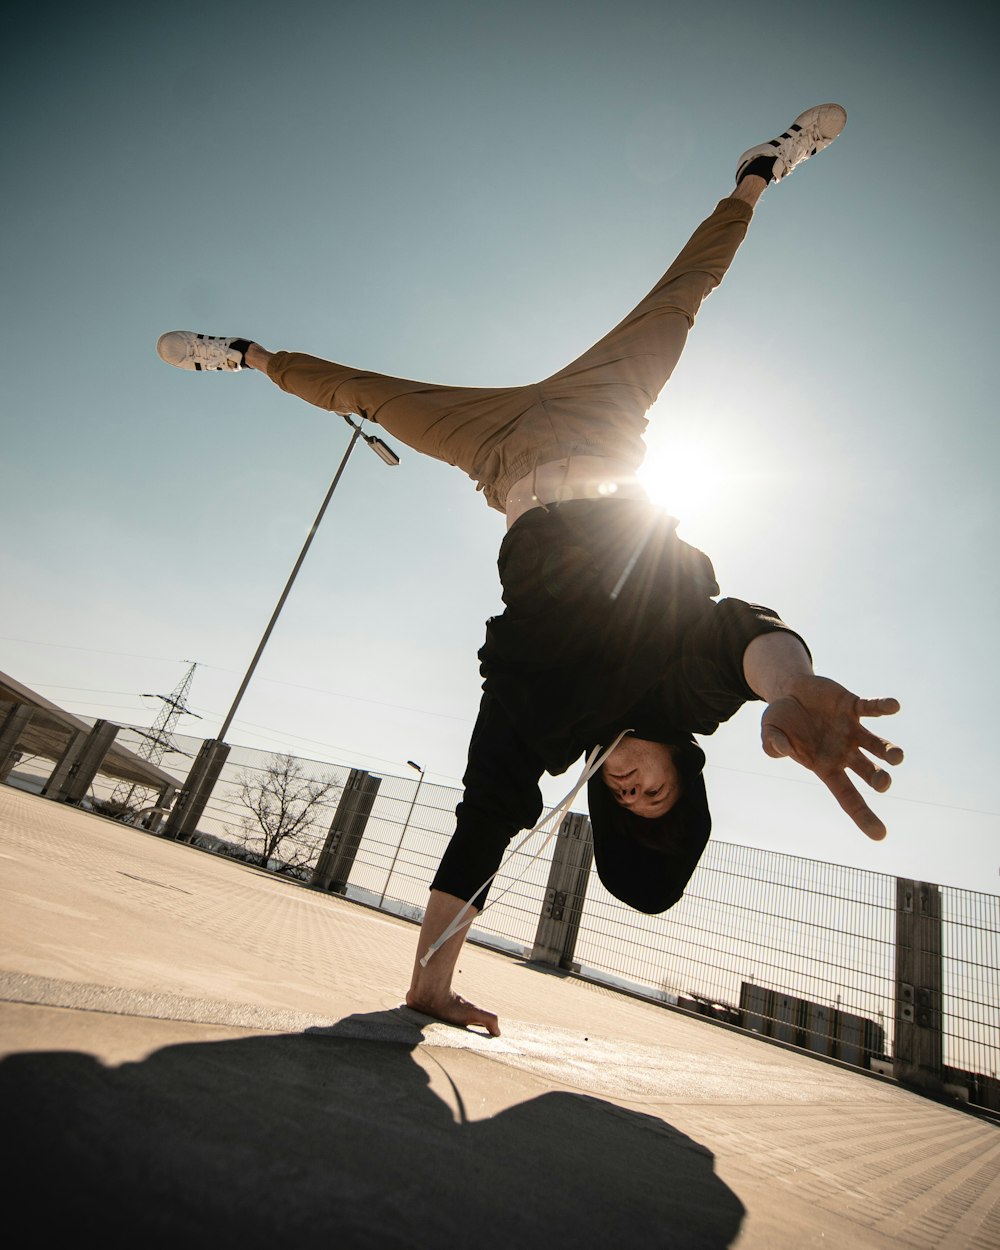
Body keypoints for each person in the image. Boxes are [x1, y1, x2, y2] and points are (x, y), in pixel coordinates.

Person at [157, 104, 903, 1038]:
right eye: (654, 790)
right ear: (684, 770)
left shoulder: (544, 720)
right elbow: (746, 635)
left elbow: (485, 821)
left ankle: (245, 354)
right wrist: (789, 691)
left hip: (502, 458)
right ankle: (760, 169)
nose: (630, 784)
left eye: (622, 800)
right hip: (602, 427)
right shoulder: (689, 691)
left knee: (364, 395)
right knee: (680, 299)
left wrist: (429, 984)